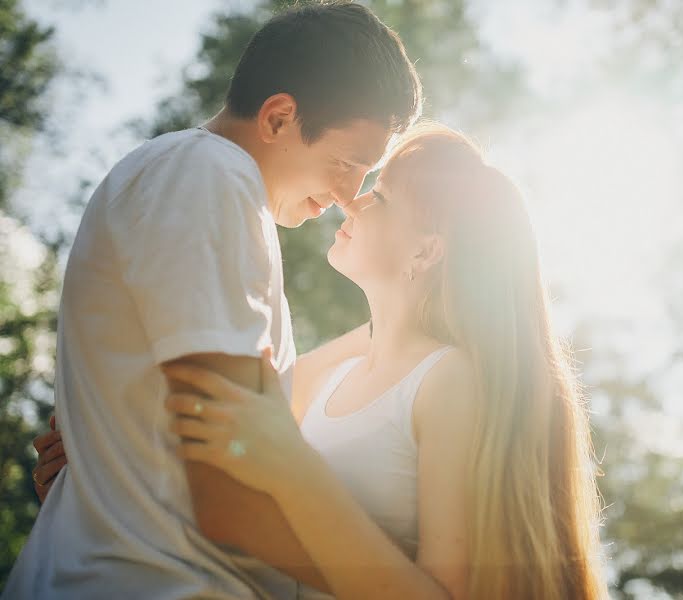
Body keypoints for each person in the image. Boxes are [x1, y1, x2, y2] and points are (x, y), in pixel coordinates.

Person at [34, 123, 609, 599]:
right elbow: (216, 471)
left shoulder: (447, 379)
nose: (351, 199)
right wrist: (107, 463)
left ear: (425, 251)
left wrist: (293, 470)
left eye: (379, 196)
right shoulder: (328, 370)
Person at [3, 3, 421, 599]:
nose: (349, 195)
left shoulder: (199, 180)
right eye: (347, 162)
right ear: (278, 118)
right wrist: (403, 589)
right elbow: (231, 493)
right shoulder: (209, 175)